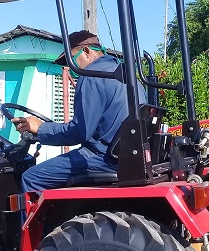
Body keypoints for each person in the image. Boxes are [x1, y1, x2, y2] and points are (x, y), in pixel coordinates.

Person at [14, 30, 144, 191]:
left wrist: (40, 129)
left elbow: (80, 132)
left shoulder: (91, 75)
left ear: (87, 51)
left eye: (72, 59)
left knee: (31, 177)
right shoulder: (127, 74)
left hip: (103, 158)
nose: (71, 67)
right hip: (127, 157)